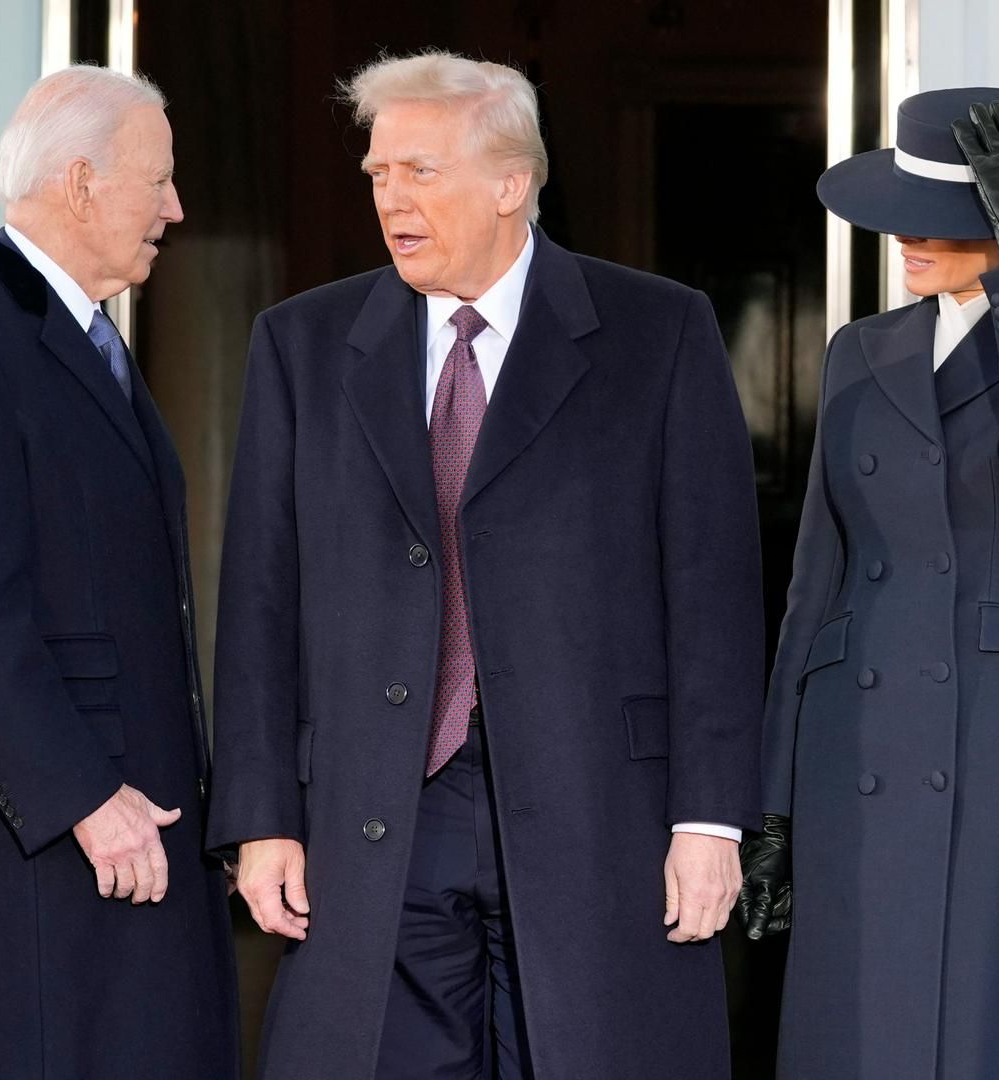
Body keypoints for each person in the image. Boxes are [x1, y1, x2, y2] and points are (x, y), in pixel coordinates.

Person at [209, 51, 764, 1079]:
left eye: (419, 171)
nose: (390, 198)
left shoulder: (660, 333)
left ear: (511, 183)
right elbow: (258, 601)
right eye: (378, 174)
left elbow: (714, 597)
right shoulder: (304, 344)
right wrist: (260, 820)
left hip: (602, 817)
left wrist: (710, 817)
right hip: (377, 819)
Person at [739, 88, 999, 1078]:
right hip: (856, 734)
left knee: (984, 1033)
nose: (906, 237)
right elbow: (815, 581)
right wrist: (772, 802)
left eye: (946, 216)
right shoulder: (862, 349)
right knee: (853, 1034)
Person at [0, 66, 238, 1078]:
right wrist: (81, 798)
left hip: (113, 844)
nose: (176, 208)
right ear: (80, 181)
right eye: (157, 181)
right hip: (40, 858)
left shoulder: (79, 335)